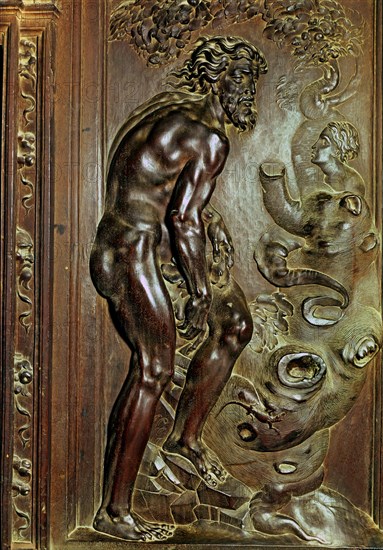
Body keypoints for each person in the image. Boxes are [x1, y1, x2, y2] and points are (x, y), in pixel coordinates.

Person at [90, 36, 267, 541]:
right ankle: (114, 511)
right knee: (154, 371)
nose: (248, 91)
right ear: (216, 79)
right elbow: (183, 217)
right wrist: (198, 289)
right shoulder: (209, 136)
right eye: (241, 79)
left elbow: (157, 191)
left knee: (234, 326)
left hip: (131, 241)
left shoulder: (166, 110)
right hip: (135, 249)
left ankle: (184, 441)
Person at [311, 120, 365, 195]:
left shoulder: (351, 182)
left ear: (337, 150)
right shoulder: (327, 178)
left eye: (324, 142)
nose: (314, 146)